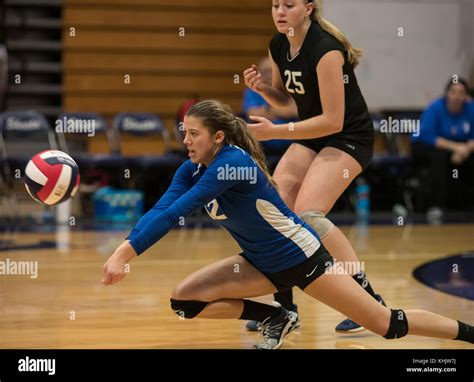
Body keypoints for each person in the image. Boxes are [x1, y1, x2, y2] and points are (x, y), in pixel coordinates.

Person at [102, 99, 474, 350]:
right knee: (184, 302)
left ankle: (471, 334)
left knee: (386, 324)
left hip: (303, 258)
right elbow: (160, 210)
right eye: (182, 132)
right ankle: (278, 316)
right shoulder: (190, 169)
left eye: (192, 134)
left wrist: (123, 255)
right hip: (259, 262)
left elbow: (176, 212)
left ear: (218, 136)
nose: (185, 141)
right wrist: (124, 250)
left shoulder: (234, 164)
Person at [243, 0, 383, 333]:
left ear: (308, 8)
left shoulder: (326, 49)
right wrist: (264, 90)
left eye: (288, 5)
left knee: (309, 214)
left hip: (349, 137)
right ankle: (284, 307)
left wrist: (275, 132)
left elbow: (333, 122)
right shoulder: (278, 44)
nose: (279, 11)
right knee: (272, 209)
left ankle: (368, 298)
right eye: (275, 4)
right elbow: (289, 102)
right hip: (312, 132)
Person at [411, 78, 474, 222]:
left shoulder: (471, 109)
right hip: (427, 145)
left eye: (461, 93)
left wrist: (465, 149)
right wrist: (456, 148)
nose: (457, 96)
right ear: (447, 94)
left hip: (460, 147)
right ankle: (436, 205)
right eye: (453, 92)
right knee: (438, 157)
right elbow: (428, 136)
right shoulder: (435, 107)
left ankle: (466, 204)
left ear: (466, 96)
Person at [242, 57, 298, 158]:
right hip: (264, 147)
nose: (270, 74)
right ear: (260, 74)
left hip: (292, 142)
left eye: (273, 71)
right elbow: (253, 113)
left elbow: (295, 111)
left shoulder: (292, 87)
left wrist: (267, 110)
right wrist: (283, 111)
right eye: (266, 71)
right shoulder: (253, 91)